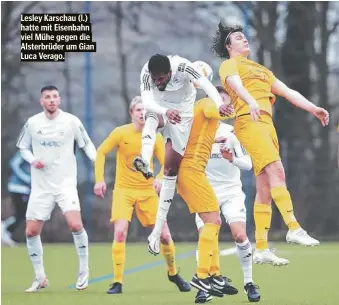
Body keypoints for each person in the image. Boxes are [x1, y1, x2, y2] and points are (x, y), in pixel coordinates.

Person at [211, 23, 330, 265]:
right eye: (237, 38)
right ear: (228, 46)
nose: (244, 39)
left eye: (244, 36)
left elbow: (287, 91)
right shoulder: (229, 64)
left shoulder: (262, 70)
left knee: (264, 186)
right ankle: (293, 227)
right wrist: (250, 101)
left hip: (267, 125)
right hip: (248, 121)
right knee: (277, 170)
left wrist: (313, 108)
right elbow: (236, 84)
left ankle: (262, 248)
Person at [133, 54, 232, 255]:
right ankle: (144, 161)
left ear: (170, 73)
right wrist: (165, 110)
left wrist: (220, 104)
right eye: (155, 79)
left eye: (161, 79)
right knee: (150, 118)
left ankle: (156, 233)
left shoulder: (185, 69)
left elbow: (206, 84)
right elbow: (146, 100)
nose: (157, 82)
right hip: (162, 110)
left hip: (181, 119)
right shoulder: (147, 72)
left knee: (170, 172)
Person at [94, 96, 191, 295]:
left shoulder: (154, 137)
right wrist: (99, 179)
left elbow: (167, 163)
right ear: (132, 113)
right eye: (138, 110)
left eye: (145, 110)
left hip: (147, 192)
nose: (142, 113)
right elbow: (101, 152)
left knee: (164, 235)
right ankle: (117, 282)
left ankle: (173, 273)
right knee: (120, 232)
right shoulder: (120, 133)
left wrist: (159, 178)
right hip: (123, 191)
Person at [16, 85, 96, 292]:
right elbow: (23, 147)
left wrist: (98, 164)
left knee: (75, 225)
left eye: (54, 96)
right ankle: (40, 277)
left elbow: (86, 144)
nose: (51, 100)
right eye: (47, 97)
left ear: (59, 100)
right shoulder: (32, 123)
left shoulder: (71, 121)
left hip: (65, 184)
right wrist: (33, 160)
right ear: (41, 101)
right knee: (31, 231)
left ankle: (84, 271)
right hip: (41, 187)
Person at [173, 86, 236, 303]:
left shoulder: (202, 110)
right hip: (191, 171)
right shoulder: (209, 103)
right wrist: (240, 110)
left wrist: (214, 140)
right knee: (214, 220)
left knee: (212, 221)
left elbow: (199, 134)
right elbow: (215, 110)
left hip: (189, 171)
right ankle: (202, 276)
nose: (227, 103)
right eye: (226, 99)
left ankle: (214, 275)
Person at [195, 120, 260, 303]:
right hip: (205, 191)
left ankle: (249, 282)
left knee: (240, 235)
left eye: (222, 101)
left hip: (231, 192)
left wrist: (231, 159)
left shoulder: (232, 132)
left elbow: (248, 164)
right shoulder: (195, 131)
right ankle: (204, 287)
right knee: (205, 237)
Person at [2, 151, 31, 247]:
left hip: (26, 189)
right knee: (20, 213)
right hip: (17, 187)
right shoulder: (25, 151)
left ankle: (5, 232)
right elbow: (14, 164)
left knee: (22, 214)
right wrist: (26, 178)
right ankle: (4, 229)